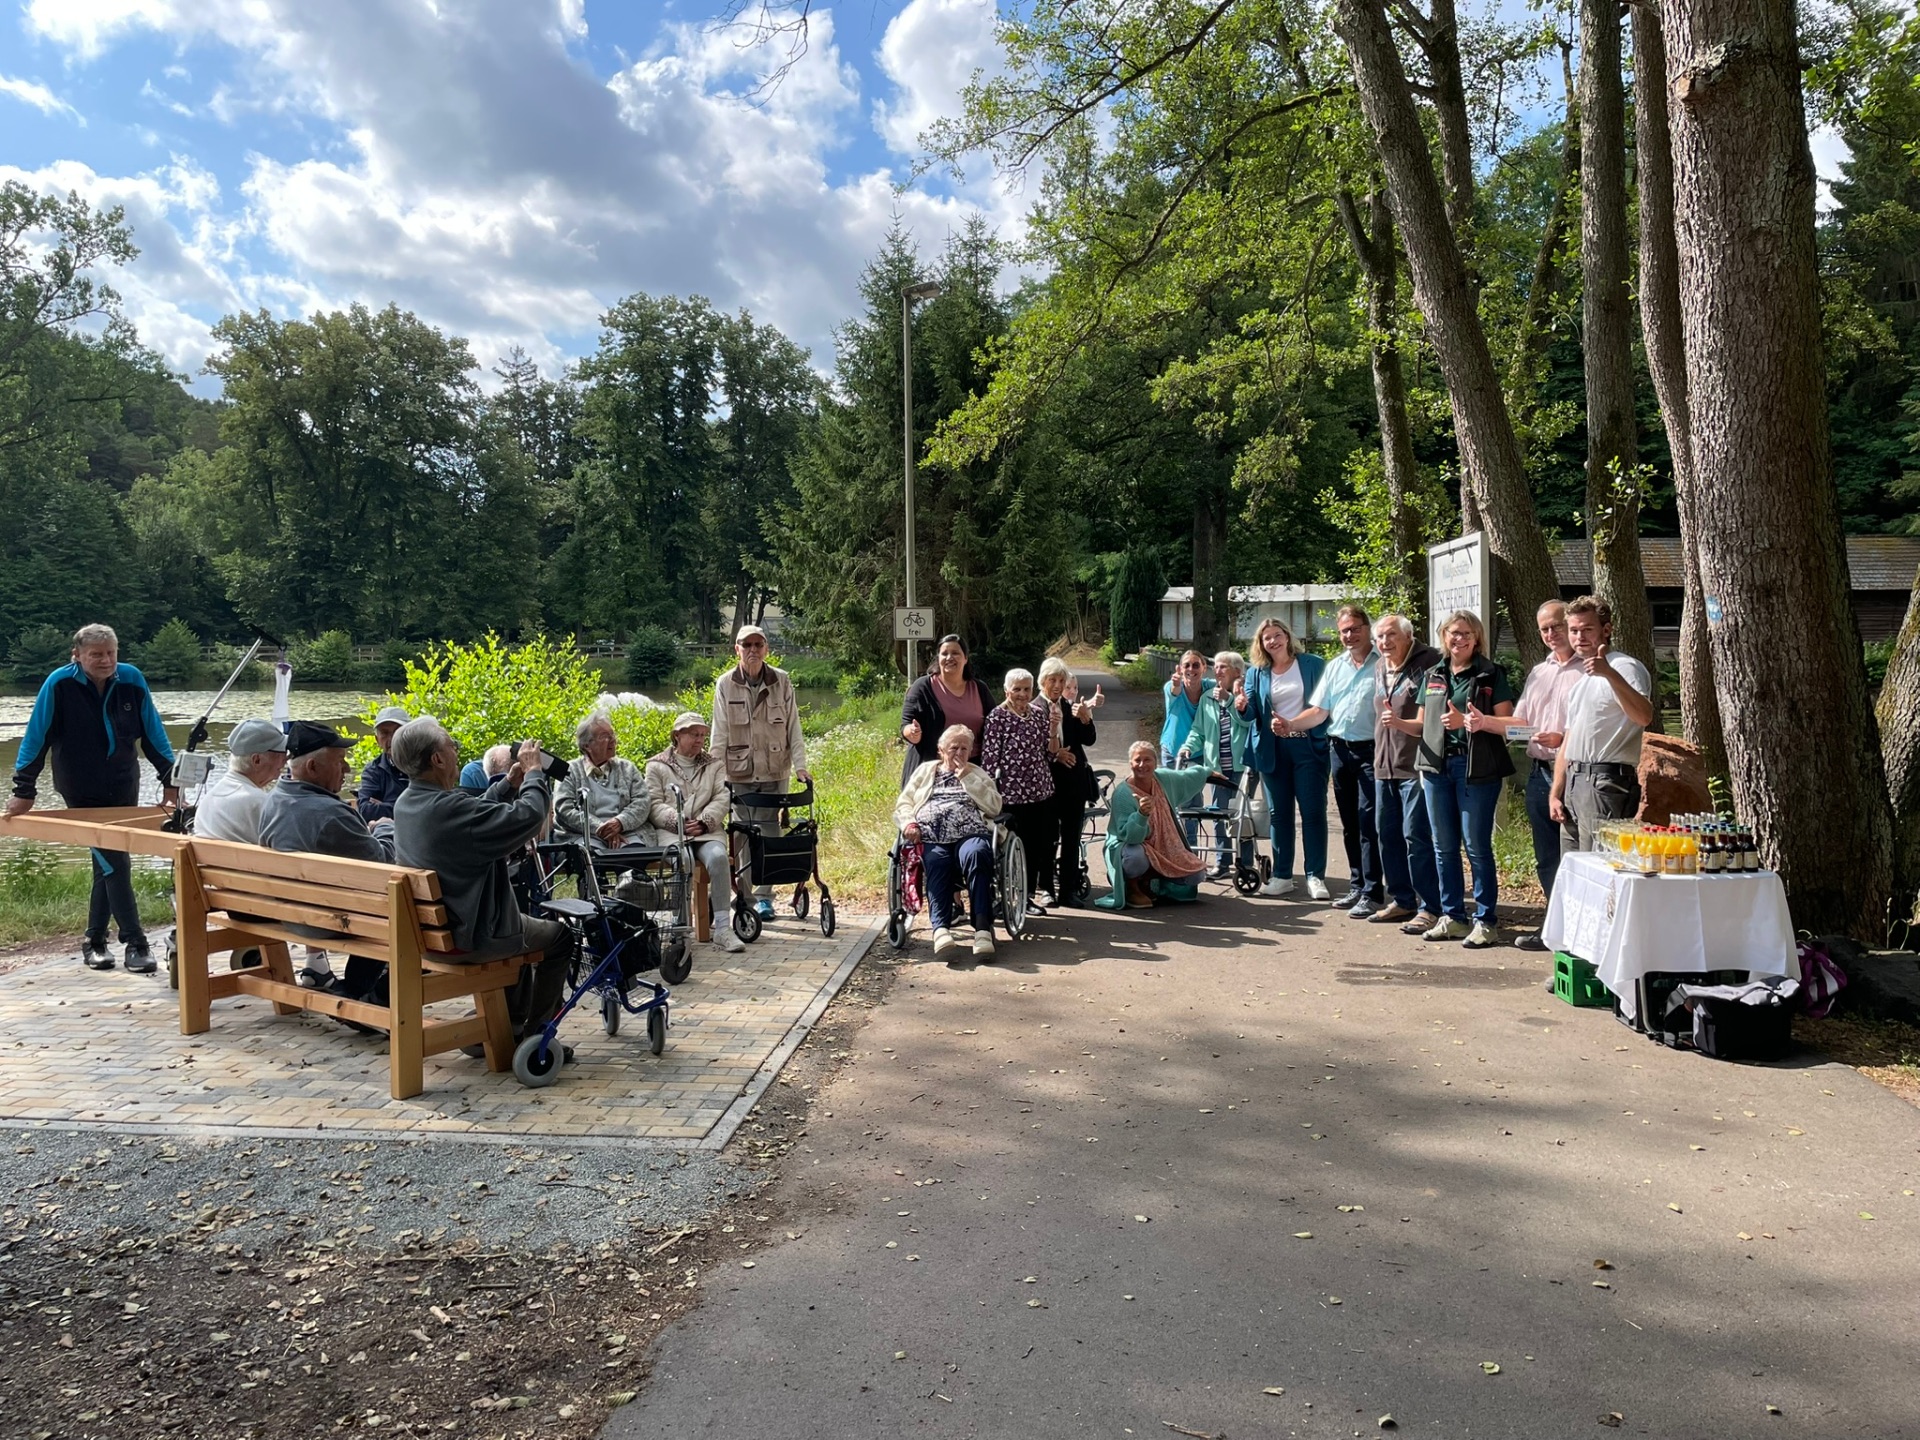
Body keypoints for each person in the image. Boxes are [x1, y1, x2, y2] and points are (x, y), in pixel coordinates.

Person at [390, 718, 575, 1058]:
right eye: (451, 746)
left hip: (430, 937)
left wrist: (508, 784)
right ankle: (538, 1036)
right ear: (437, 759)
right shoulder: (450, 808)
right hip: (472, 937)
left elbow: (473, 817)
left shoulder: (407, 803)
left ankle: (508, 1024)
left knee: (521, 928)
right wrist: (535, 774)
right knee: (559, 938)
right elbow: (529, 817)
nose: (457, 752)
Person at [6, 623, 178, 973]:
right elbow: (36, 737)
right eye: (96, 654)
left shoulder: (132, 679)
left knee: (109, 860)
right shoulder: (59, 684)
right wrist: (24, 790)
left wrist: (171, 781)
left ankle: (94, 941)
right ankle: (135, 942)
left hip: (123, 782)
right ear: (77, 655)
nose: (106, 660)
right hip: (80, 785)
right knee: (114, 860)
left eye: (111, 653)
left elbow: (153, 732)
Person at [258, 722, 401, 1011]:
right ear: (312, 767)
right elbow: (383, 862)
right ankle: (364, 995)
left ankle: (357, 989)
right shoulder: (330, 814)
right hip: (327, 920)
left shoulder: (274, 800)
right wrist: (385, 827)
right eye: (340, 761)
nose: (346, 769)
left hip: (289, 912)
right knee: (402, 912)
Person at [1394, 610, 1514, 948]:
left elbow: (1508, 723)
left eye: (1465, 634)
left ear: (1476, 639)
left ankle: (1485, 921)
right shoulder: (1434, 674)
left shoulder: (1491, 674)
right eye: (1452, 633)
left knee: (1476, 847)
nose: (1458, 639)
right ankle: (1453, 917)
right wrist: (1397, 723)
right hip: (1436, 768)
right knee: (1443, 847)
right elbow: (1422, 724)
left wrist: (1473, 722)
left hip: (1476, 768)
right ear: (1443, 637)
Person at [1478, 601, 1582, 950]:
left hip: (1577, 774)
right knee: (1547, 857)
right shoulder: (1539, 672)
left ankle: (1580, 934)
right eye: (1544, 629)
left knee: (1578, 855)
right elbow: (1521, 723)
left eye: (1556, 626)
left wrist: (1564, 740)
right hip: (1540, 773)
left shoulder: (1590, 671)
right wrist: (1484, 722)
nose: (1551, 634)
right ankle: (1554, 929)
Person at [712, 624, 811, 921]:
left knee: (770, 833)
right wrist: (714, 774)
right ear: (737, 649)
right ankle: (745, 896)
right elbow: (719, 732)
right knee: (741, 835)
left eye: (758, 644)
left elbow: (794, 727)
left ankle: (766, 897)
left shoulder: (782, 680)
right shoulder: (725, 684)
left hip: (774, 770)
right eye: (747, 645)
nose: (753, 650)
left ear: (766, 649)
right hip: (738, 773)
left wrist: (801, 766)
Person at [1292, 605, 1383, 916]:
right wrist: (1290, 724)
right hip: (1340, 751)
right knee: (1349, 822)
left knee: (1369, 822)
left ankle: (1373, 892)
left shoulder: (1384, 664)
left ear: (1367, 629)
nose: (1349, 635)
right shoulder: (1335, 667)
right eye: (1344, 630)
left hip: (1373, 751)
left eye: (1355, 628)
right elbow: (1319, 712)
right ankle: (1357, 886)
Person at [1550, 595, 1655, 853]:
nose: (1579, 637)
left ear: (1606, 630)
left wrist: (1609, 674)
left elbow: (1644, 716)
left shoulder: (1624, 666)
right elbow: (1569, 740)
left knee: (1600, 865)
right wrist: (1555, 792)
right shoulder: (1582, 682)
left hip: (1605, 782)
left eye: (1587, 629)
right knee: (1573, 868)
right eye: (1574, 630)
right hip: (1574, 783)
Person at [1237, 616, 1331, 900]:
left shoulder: (1313, 664)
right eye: (1267, 638)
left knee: (1313, 813)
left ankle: (1315, 876)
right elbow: (1252, 714)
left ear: (1287, 636)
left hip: (1307, 746)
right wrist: (1241, 705)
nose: (1273, 641)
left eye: (1277, 635)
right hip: (1272, 749)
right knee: (1279, 815)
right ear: (1261, 644)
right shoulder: (1257, 673)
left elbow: (1325, 704)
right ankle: (1282, 876)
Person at [896, 724, 1004, 959]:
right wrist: (909, 824)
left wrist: (967, 778)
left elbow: (994, 806)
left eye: (964, 748)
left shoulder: (976, 773)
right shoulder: (926, 771)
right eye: (954, 747)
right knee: (936, 861)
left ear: (971, 751)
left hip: (970, 833)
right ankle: (941, 929)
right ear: (941, 750)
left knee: (978, 854)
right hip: (932, 836)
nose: (959, 753)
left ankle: (983, 929)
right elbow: (904, 803)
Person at [645, 712, 745, 954]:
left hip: (706, 831)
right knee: (683, 860)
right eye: (693, 734)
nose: (699, 740)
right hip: (671, 832)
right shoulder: (656, 765)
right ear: (677, 736)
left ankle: (723, 928)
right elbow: (653, 803)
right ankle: (680, 926)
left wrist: (704, 822)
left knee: (719, 858)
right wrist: (677, 820)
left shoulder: (714, 764)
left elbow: (722, 797)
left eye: (702, 735)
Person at [1369, 615, 1444, 935]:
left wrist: (1400, 724)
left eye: (1391, 635)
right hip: (1383, 765)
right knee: (1387, 835)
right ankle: (1402, 900)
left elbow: (1434, 718)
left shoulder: (1431, 663)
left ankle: (1430, 906)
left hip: (1416, 765)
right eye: (1380, 637)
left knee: (1416, 836)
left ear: (1408, 636)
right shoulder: (1379, 666)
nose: (1385, 642)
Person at [1094, 742, 1210, 910]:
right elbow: (1131, 838)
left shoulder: (1163, 779)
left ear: (1156, 763)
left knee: (1196, 875)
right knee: (1136, 858)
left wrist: (1206, 772)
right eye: (1137, 760)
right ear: (1130, 764)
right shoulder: (1122, 794)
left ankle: (1151, 882)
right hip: (1129, 846)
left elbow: (1187, 778)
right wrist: (1141, 815)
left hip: (1164, 846)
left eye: (1147, 760)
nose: (1142, 765)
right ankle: (1131, 884)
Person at [980, 668, 1057, 912]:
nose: (1022, 694)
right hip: (1011, 794)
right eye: (1017, 689)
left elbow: (1048, 753)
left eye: (1026, 689)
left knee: (1035, 847)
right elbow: (990, 760)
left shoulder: (1038, 714)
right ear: (1006, 691)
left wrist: (1054, 731)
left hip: (1040, 791)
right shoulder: (997, 717)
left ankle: (1027, 897)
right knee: (1010, 847)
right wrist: (990, 795)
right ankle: (1007, 896)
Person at [1179, 651, 1253, 878]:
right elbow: (1198, 730)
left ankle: (1246, 863)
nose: (1217, 671)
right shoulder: (1207, 698)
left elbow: (1246, 722)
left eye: (1223, 667)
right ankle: (1222, 863)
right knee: (1219, 815)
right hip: (1217, 767)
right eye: (1216, 666)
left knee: (1242, 818)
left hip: (1241, 767)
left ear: (1237, 672)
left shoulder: (1244, 695)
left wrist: (1229, 701)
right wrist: (1188, 746)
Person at [1038, 659, 1099, 906]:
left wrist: (1085, 719)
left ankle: (1068, 890)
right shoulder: (1033, 709)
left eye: (1061, 681)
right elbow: (1029, 749)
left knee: (1072, 838)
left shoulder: (1070, 707)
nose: (1057, 685)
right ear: (1042, 681)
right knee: (1047, 837)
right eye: (1052, 680)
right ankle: (1045, 888)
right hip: (1045, 785)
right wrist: (1055, 755)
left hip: (1074, 784)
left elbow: (1089, 739)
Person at [899, 635, 993, 784]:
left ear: (965, 658)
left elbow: (994, 725)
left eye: (955, 653)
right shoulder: (922, 687)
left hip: (972, 773)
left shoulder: (979, 689)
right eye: (944, 653)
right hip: (931, 772)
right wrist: (912, 733)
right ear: (938, 658)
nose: (949, 657)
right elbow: (906, 724)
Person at [555, 715, 650, 848]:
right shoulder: (569, 770)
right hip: (583, 835)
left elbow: (642, 802)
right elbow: (565, 810)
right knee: (589, 855)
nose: (613, 740)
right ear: (587, 745)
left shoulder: (627, 768)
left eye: (612, 735)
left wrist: (619, 822)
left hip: (627, 832)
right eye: (605, 736)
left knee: (634, 853)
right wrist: (602, 828)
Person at [190, 719, 287, 845]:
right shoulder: (259, 802)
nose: (286, 760)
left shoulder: (211, 797)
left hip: (212, 857)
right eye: (282, 753)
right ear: (257, 760)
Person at [354, 705, 412, 822]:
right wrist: (412, 807)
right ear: (377, 740)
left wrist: (384, 805)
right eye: (384, 733)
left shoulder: (424, 763)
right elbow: (366, 811)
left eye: (397, 732)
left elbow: (433, 805)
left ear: (410, 735)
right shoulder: (373, 770)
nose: (391, 739)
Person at [1158, 650, 1214, 767]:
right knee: (1171, 780)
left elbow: (1226, 683)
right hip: (1172, 751)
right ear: (1180, 669)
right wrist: (1176, 685)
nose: (1191, 669)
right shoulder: (1171, 686)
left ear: (1204, 668)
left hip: (1198, 752)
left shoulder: (1209, 687)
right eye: (1186, 665)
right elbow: (1174, 691)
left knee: (1196, 780)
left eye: (1196, 665)